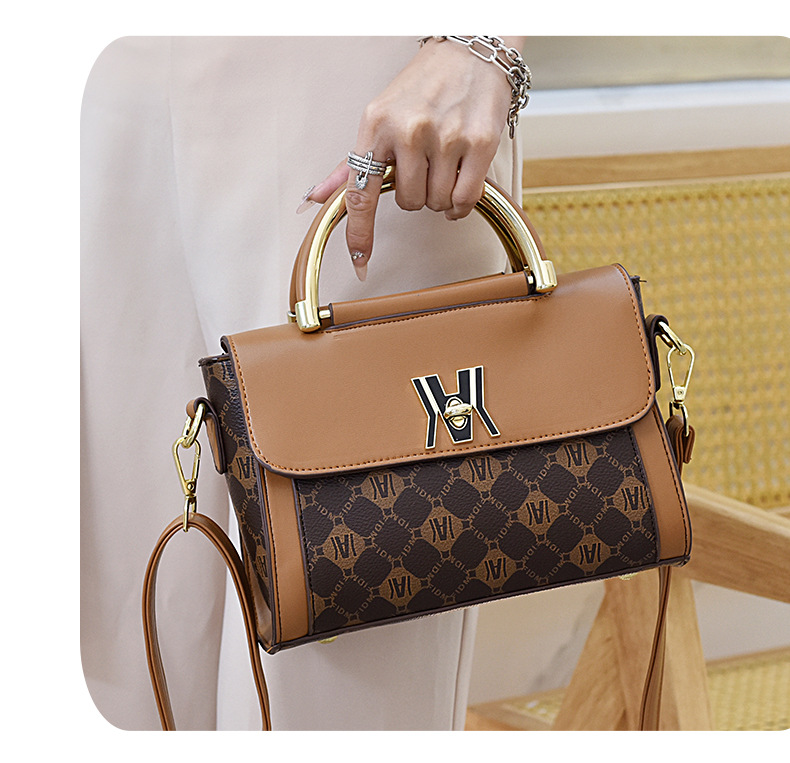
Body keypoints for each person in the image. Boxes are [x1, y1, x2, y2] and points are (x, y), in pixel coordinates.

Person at [81, 35, 527, 731]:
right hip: (104, 79)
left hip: (359, 81)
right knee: (122, 634)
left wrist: (482, 43)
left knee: (337, 663)